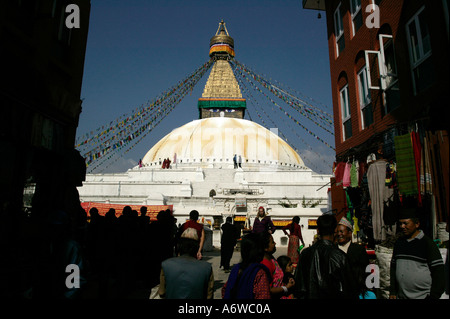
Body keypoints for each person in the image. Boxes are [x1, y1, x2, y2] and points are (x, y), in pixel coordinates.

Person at [294, 214, 357, 299]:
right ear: (335, 230)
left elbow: (299, 286)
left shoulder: (305, 254)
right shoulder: (340, 256)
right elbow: (349, 289)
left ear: (318, 231)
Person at [389, 208, 445, 299]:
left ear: (417, 224)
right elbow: (393, 268)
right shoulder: (399, 243)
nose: (402, 226)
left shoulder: (427, 244)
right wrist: (393, 291)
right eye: (400, 223)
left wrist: (434, 296)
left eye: (405, 223)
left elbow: (438, 273)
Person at [223, 232, 271, 299]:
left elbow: (225, 289)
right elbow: (263, 296)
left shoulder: (236, 269)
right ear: (260, 251)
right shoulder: (259, 273)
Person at [336, 217, 374, 299]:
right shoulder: (334, 250)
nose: (339, 234)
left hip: (356, 291)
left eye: (342, 231)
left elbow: (366, 270)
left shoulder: (358, 250)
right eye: (337, 232)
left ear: (349, 233)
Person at [261, 231, 295, 298]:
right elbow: (269, 289)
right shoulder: (266, 264)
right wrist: (286, 287)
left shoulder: (272, 259)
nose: (275, 243)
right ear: (265, 248)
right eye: (272, 242)